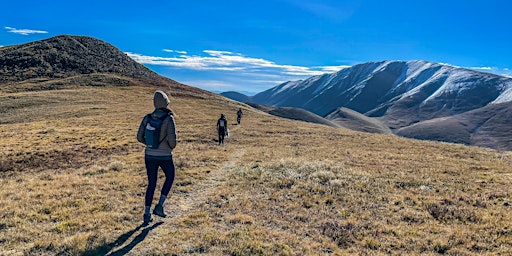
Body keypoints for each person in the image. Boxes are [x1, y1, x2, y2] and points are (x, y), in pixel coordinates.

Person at [137, 90, 177, 225]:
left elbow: (139, 137)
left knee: (151, 183)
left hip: (149, 155)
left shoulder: (147, 117)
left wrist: (150, 145)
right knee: (170, 176)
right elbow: (173, 142)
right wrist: (167, 147)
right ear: (166, 103)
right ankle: (160, 205)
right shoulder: (168, 118)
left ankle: (147, 213)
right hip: (165, 155)